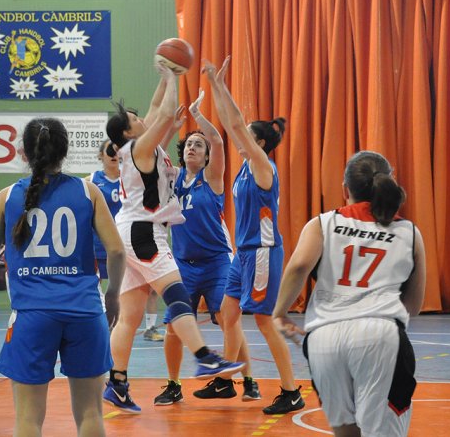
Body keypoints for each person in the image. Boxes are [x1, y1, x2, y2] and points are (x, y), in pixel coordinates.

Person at [0, 118, 125, 437]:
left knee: (28, 419)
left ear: (23, 153)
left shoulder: (6, 197)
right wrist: (112, 295)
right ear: (65, 151)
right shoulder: (88, 191)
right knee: (90, 415)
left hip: (32, 316)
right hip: (85, 312)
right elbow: (117, 252)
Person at [102, 63, 244, 414]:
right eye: (136, 119)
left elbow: (155, 111)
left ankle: (116, 383)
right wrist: (171, 74)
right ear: (128, 130)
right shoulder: (139, 147)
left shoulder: (141, 147)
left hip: (131, 231)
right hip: (143, 232)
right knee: (177, 294)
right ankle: (204, 358)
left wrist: (163, 77)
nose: (143, 119)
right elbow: (164, 112)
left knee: (130, 318)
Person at [272, 151, 426, 437]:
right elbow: (413, 306)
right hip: (380, 336)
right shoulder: (408, 232)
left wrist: (280, 312)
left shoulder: (323, 223)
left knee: (346, 432)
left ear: (346, 190)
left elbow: (299, 266)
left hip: (325, 338)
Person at [203, 57, 301, 415]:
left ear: (258, 141)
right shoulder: (245, 166)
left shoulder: (262, 166)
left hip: (261, 251)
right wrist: (215, 84)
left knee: (262, 320)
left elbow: (233, 122)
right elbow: (232, 123)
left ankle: (291, 390)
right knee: (227, 313)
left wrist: (218, 83)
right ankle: (226, 382)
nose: (238, 134)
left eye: (247, 133)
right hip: (241, 253)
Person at [154, 91, 260, 406]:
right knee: (174, 326)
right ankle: (173, 385)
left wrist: (199, 115)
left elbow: (217, 141)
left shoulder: (211, 177)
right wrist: (170, 125)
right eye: (188, 144)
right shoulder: (171, 179)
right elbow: (153, 153)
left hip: (216, 261)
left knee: (230, 318)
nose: (193, 147)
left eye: (198, 145)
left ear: (205, 155)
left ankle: (247, 381)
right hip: (183, 264)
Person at [86, 140, 164, 342]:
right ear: (100, 156)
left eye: (116, 150)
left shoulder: (129, 178)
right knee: (102, 288)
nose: (113, 154)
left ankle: (151, 327)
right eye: (108, 150)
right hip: (101, 245)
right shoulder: (91, 181)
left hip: (129, 242)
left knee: (150, 285)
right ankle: (105, 326)